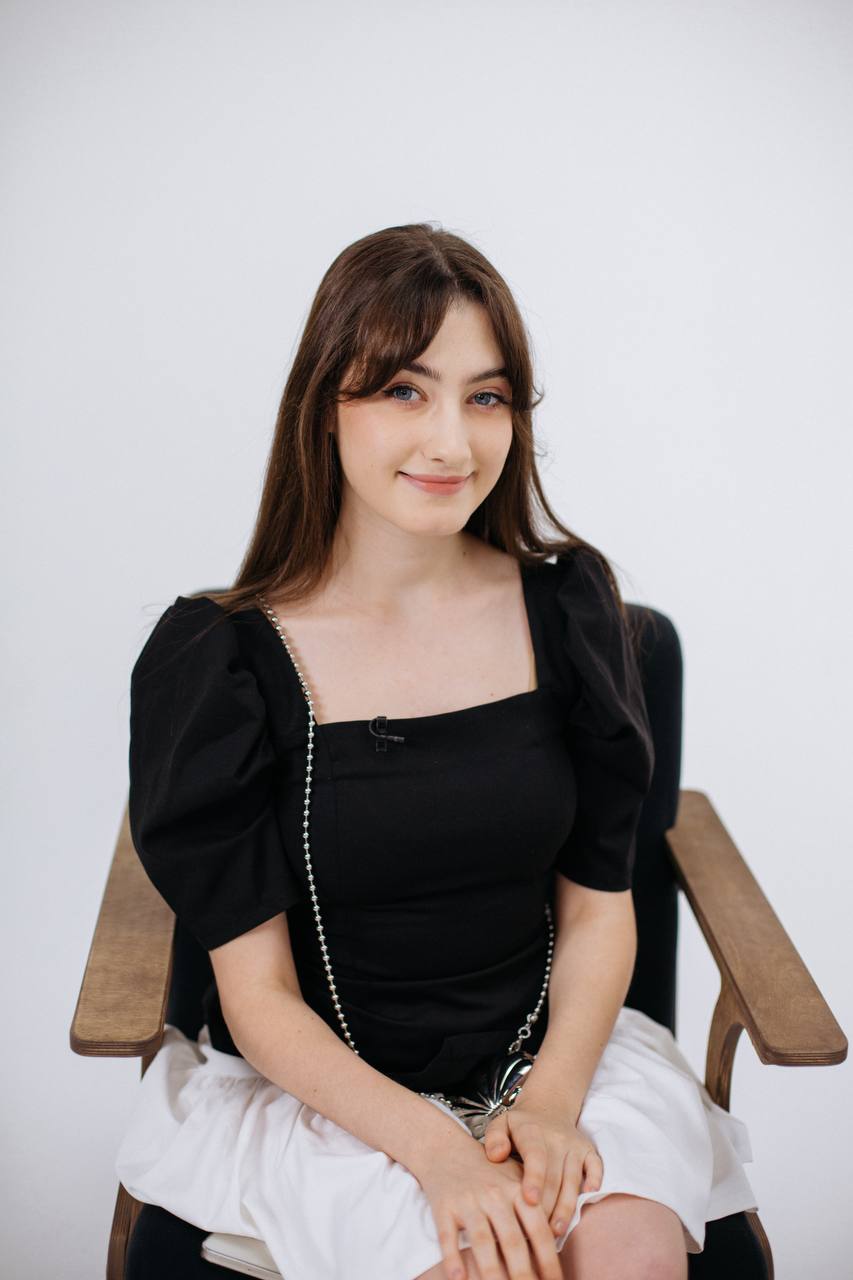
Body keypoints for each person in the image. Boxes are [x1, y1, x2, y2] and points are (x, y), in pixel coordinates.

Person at [115, 222, 757, 1280]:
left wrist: (549, 1104)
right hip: (333, 1102)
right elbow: (257, 994)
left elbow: (598, 907)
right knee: (480, 1262)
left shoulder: (569, 611)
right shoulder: (221, 660)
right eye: (404, 390)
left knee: (631, 1255)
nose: (452, 442)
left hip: (559, 1067)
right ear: (325, 404)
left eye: (486, 396)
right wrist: (439, 1154)